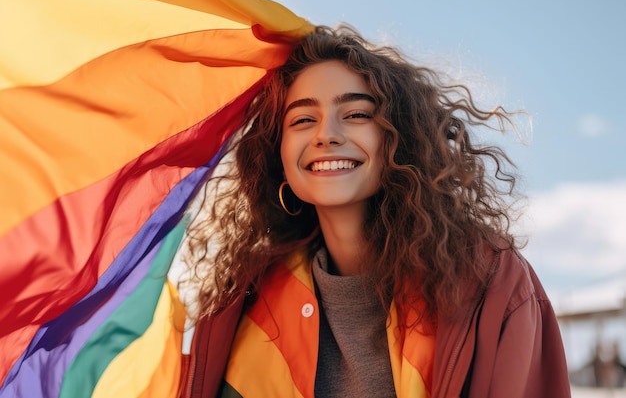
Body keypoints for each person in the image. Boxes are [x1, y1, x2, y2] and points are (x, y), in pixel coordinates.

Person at [178, 25, 571, 398]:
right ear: (277, 155)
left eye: (356, 114)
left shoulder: (489, 282)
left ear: (398, 138)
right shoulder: (241, 304)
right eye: (302, 119)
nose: (326, 134)